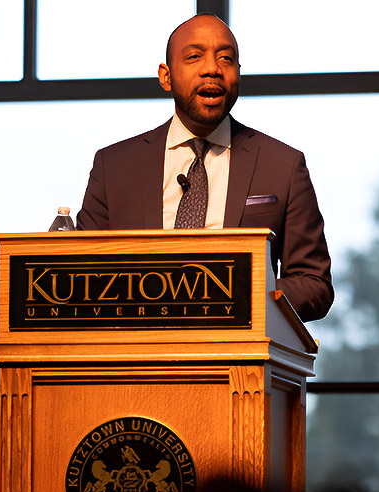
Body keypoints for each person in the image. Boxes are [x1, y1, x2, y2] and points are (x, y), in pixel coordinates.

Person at [76, 14, 334, 321]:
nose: (212, 68)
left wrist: (237, 295)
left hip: (239, 360)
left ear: (238, 74)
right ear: (166, 76)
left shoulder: (282, 165)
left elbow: (315, 286)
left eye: (226, 59)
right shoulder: (114, 167)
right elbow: (81, 277)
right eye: (194, 56)